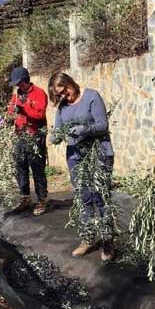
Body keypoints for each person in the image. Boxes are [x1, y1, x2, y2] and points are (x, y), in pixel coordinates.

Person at [48, 71, 115, 261]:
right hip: (76, 156)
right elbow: (59, 128)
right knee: (83, 196)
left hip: (98, 153)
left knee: (100, 196)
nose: (64, 96)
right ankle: (87, 238)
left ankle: (108, 242)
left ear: (71, 83)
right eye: (59, 94)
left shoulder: (91, 97)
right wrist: (55, 136)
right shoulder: (62, 106)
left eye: (65, 91)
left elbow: (103, 125)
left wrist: (84, 130)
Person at [8, 67, 48, 216]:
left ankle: (42, 200)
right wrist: (8, 116)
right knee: (20, 167)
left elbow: (39, 114)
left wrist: (23, 108)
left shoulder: (39, 93)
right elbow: (12, 112)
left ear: (25, 80)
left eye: (19, 83)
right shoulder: (17, 95)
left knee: (37, 169)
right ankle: (24, 197)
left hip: (35, 136)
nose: (18, 86)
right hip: (20, 136)